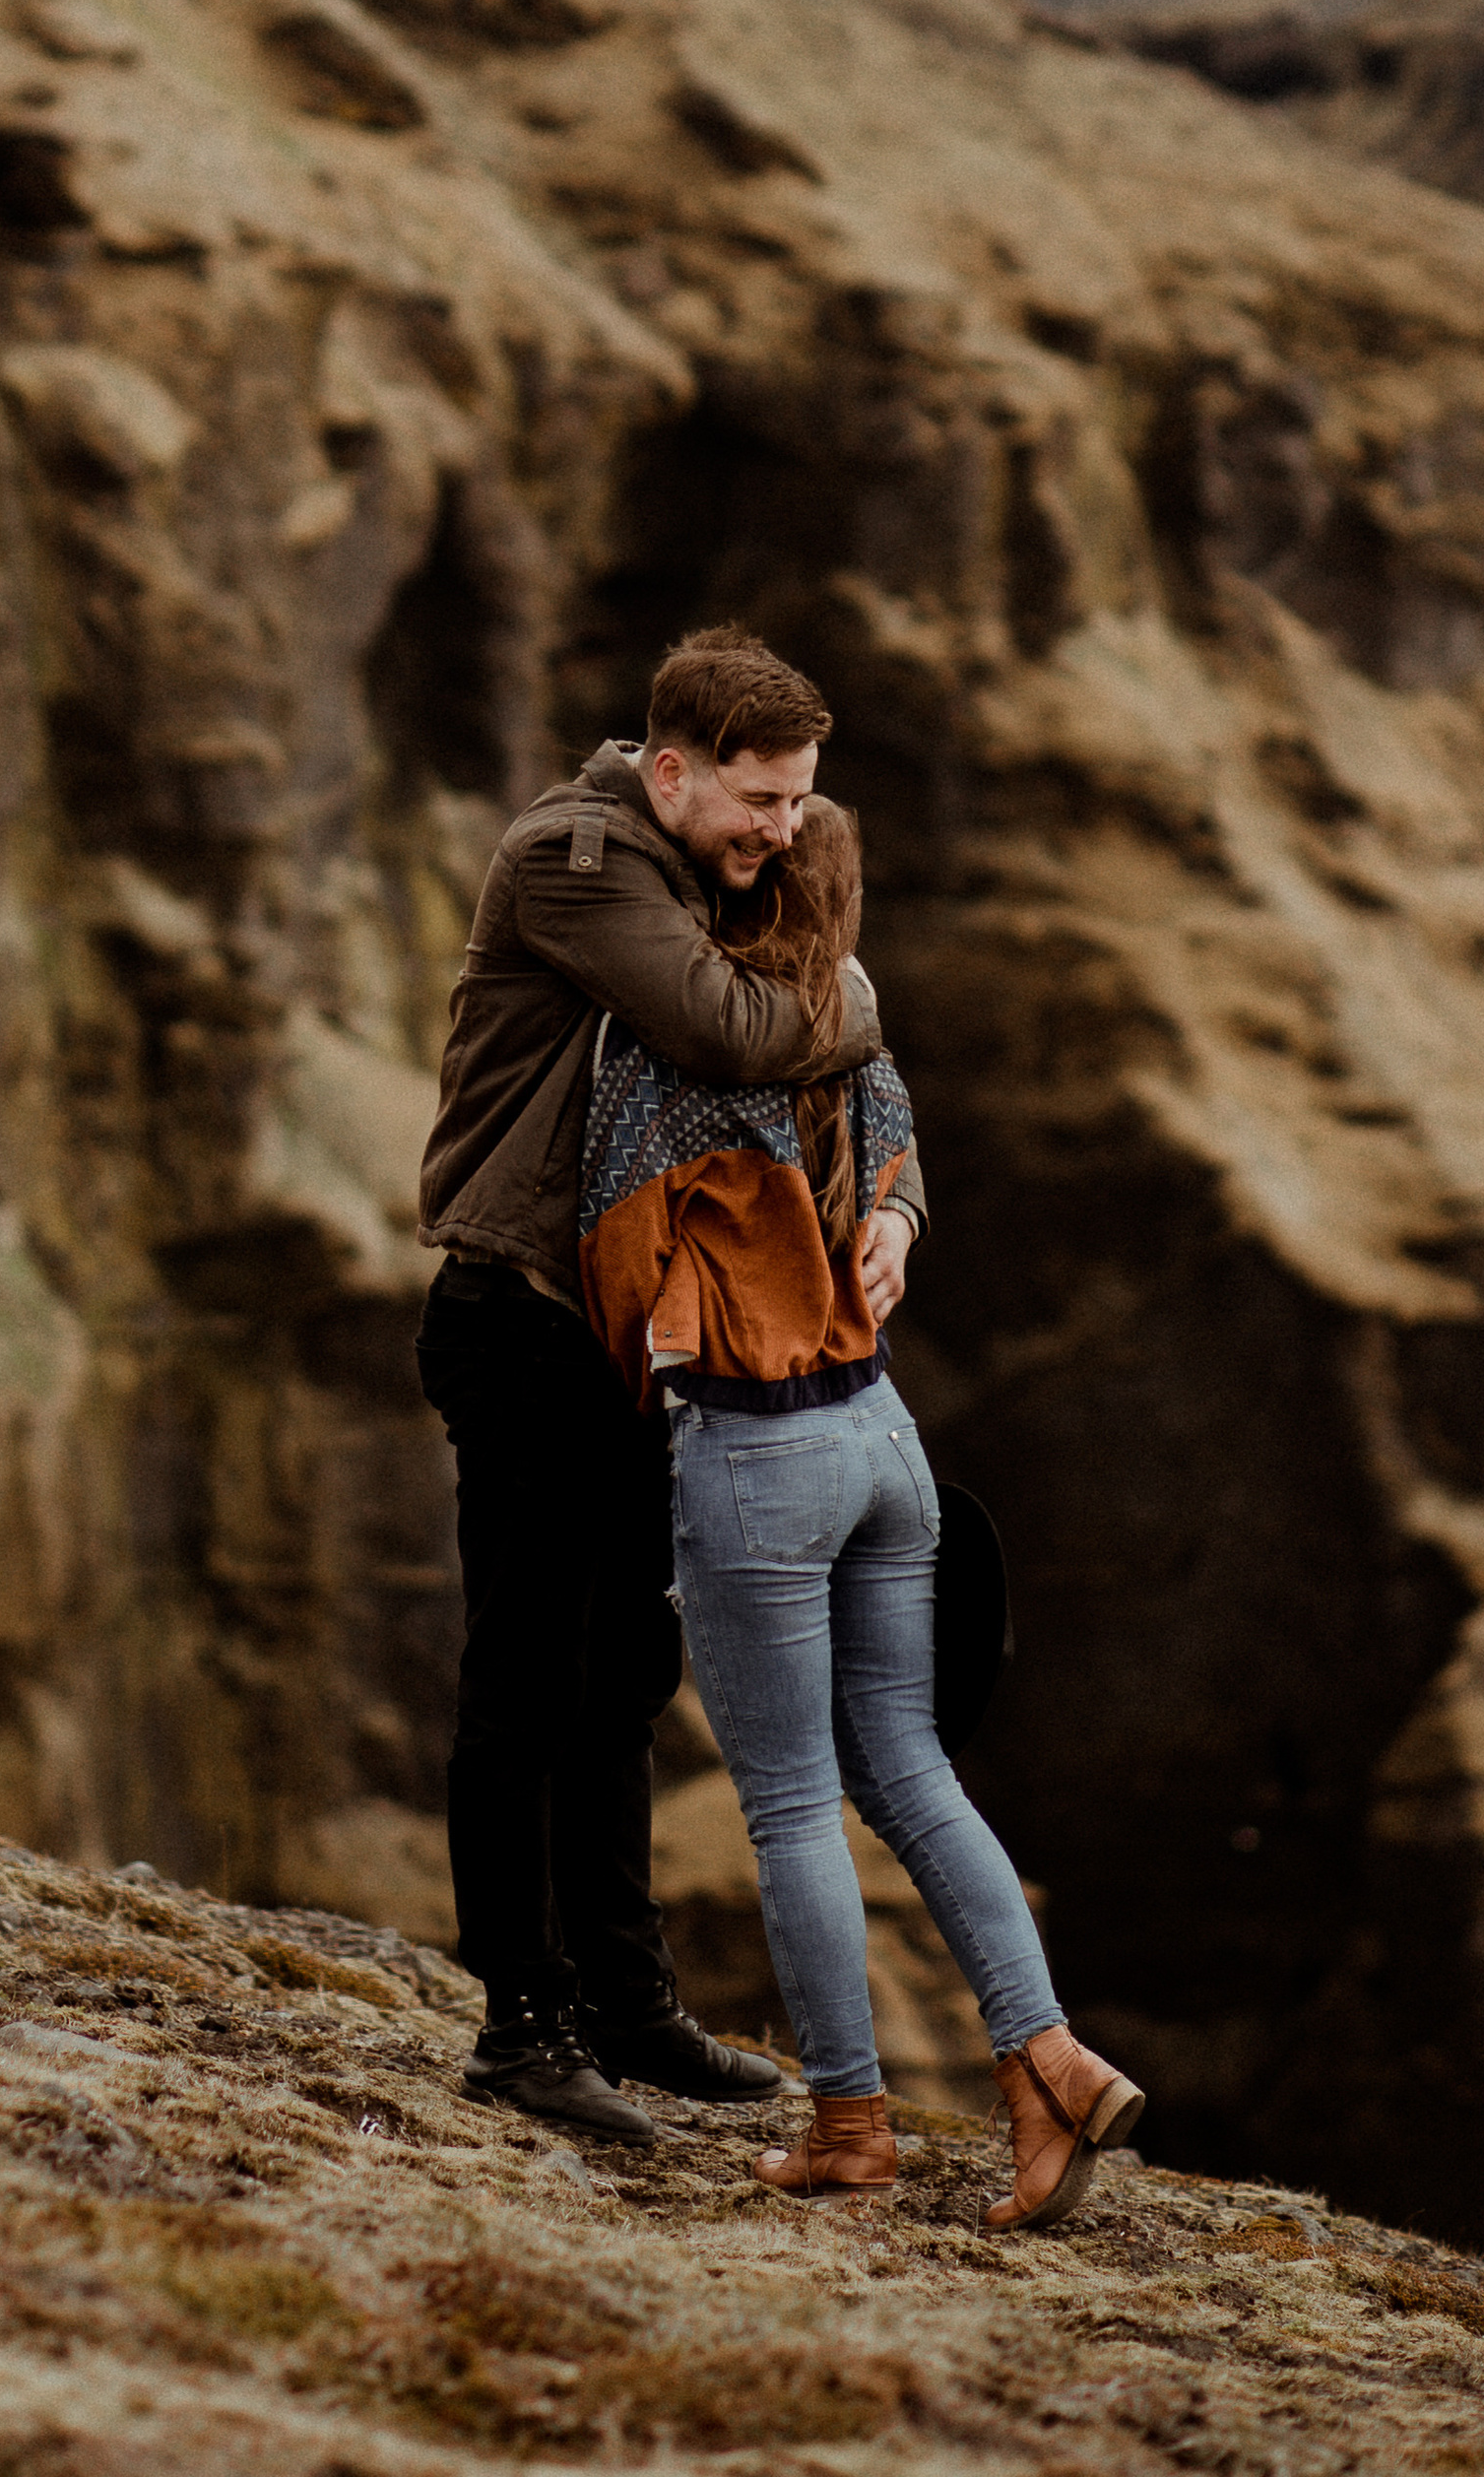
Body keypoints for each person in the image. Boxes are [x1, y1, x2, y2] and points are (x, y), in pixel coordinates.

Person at [577, 796, 1146, 2227]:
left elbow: (614, 1256)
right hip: (884, 1438)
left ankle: (848, 2125)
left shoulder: (681, 1057)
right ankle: (1048, 2056)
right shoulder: (856, 1030)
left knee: (786, 1804)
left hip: (760, 1455)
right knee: (909, 1767)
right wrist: (888, 1219)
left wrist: (653, 1331)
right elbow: (893, 1141)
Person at [414, 625, 925, 2145]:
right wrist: (863, 997)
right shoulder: (578, 861)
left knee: (623, 1680)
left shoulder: (723, 876)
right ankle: (522, 2029)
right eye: (761, 800)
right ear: (675, 768)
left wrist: (894, 1202)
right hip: (520, 1324)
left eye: (801, 802)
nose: (785, 831)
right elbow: (731, 1027)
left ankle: (627, 2010)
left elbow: (849, 1082)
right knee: (523, 1683)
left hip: (643, 1341)